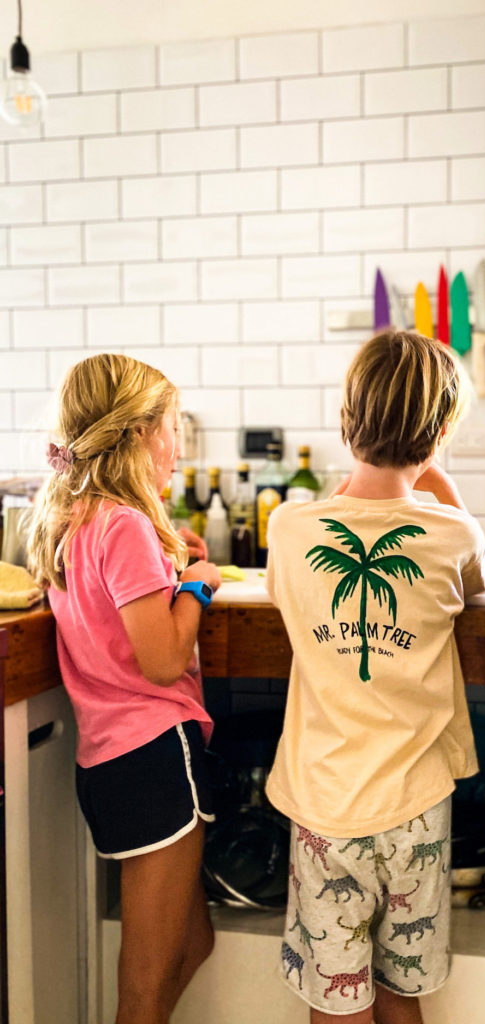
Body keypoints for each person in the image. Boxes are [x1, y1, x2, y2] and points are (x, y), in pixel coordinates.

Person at [264, 329, 485, 1024]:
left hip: (325, 803)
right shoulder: (452, 534)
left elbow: (312, 550)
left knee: (338, 1001)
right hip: (417, 803)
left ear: (346, 419)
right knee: (404, 991)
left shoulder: (288, 527)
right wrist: (433, 476)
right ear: (442, 432)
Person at [27, 353, 222, 1024]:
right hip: (155, 755)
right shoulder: (127, 525)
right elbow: (164, 659)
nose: (177, 447)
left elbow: (112, 613)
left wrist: (169, 562)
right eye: (172, 427)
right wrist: (197, 583)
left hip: (107, 762)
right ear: (139, 433)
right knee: (140, 991)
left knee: (194, 942)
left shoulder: (70, 519)